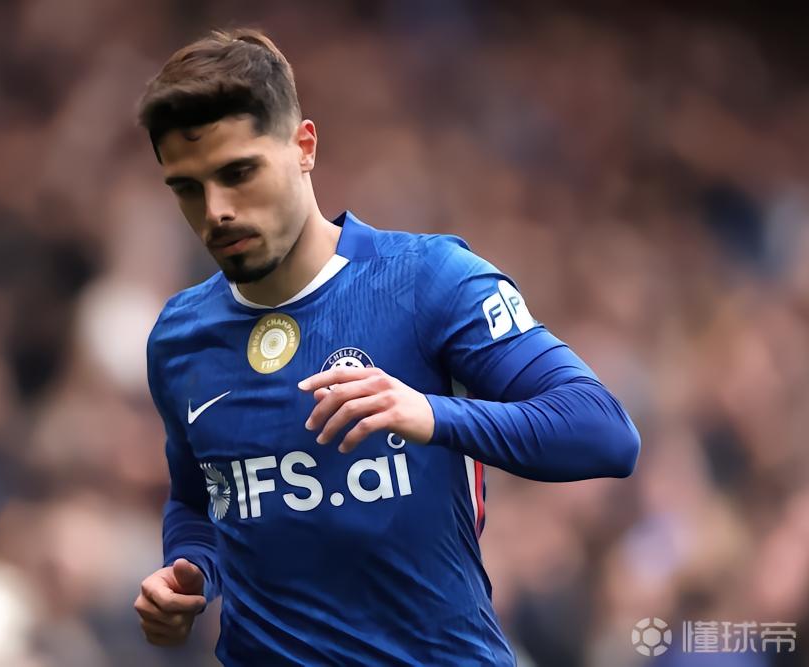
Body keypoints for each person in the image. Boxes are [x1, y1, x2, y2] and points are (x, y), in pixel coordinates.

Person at [132, 28, 640, 666]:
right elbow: (197, 497)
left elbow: (604, 432)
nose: (216, 211)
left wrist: (431, 414)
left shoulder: (429, 281)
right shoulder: (178, 338)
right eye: (187, 187)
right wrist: (189, 570)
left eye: (238, 173)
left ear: (304, 147)